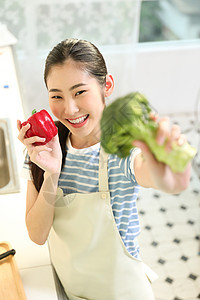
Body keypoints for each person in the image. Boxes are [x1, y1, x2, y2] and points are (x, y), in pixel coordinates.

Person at [17, 38, 191, 300]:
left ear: (106, 85)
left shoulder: (123, 151)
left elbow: (167, 182)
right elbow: (37, 234)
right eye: (56, 96)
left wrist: (173, 166)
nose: (70, 108)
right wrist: (52, 173)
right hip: (73, 290)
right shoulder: (44, 146)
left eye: (79, 92)